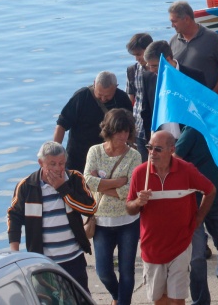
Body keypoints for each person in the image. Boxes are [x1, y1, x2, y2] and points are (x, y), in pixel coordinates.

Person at [125, 131, 215, 305]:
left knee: (177, 298)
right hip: (152, 248)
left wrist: (198, 219)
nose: (152, 153)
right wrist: (137, 202)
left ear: (172, 149)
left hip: (180, 245)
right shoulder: (139, 173)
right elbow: (129, 209)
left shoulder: (186, 170)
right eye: (149, 148)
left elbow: (210, 190)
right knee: (160, 299)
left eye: (157, 149)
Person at [8, 141, 97, 292]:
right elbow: (14, 217)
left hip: (73, 258)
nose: (57, 168)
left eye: (61, 163)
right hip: (43, 262)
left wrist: (63, 188)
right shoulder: (26, 186)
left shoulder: (75, 179)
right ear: (41, 163)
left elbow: (90, 208)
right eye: (52, 164)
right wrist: (15, 254)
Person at [174, 125, 218, 304]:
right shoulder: (193, 130)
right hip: (192, 203)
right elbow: (175, 158)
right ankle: (200, 300)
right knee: (197, 257)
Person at [83, 109, 142, 305]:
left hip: (128, 221)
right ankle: (117, 297)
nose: (123, 136)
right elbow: (88, 182)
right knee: (103, 271)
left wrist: (103, 183)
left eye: (126, 131)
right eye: (119, 131)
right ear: (109, 130)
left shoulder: (134, 156)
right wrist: (118, 181)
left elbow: (129, 190)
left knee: (127, 270)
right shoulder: (95, 151)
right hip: (101, 222)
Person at [54, 71, 133, 171]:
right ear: (94, 83)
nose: (103, 99)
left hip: (108, 157)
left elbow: (129, 127)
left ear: (116, 87)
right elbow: (61, 124)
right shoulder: (81, 97)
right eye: (100, 95)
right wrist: (55, 152)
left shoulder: (122, 99)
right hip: (78, 157)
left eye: (108, 96)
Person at [141, 40, 206, 153]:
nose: (151, 70)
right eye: (149, 65)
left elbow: (203, 111)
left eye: (155, 66)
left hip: (190, 143)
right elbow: (146, 113)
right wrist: (150, 143)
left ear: (168, 59)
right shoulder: (148, 78)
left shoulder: (194, 77)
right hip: (161, 145)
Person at [168, 1, 218, 93]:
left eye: (174, 21)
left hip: (207, 99)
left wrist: (216, 92)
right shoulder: (173, 42)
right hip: (184, 98)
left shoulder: (211, 38)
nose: (172, 25)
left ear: (186, 19)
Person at [126, 33, 154, 159]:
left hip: (155, 127)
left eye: (139, 54)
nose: (137, 58)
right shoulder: (132, 70)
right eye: (134, 55)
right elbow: (130, 101)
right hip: (138, 128)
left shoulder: (159, 71)